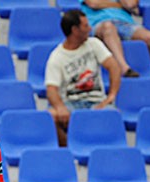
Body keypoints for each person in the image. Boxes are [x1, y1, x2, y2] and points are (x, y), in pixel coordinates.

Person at [45, 9, 121, 147]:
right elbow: (51, 89)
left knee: (113, 113)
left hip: (96, 101)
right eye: (86, 26)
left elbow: (114, 67)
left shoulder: (94, 44)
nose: (90, 28)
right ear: (75, 30)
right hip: (72, 104)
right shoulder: (56, 57)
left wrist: (111, 96)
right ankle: (70, 148)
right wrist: (60, 107)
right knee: (51, 115)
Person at [81, 0, 150, 77]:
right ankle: (124, 68)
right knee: (108, 27)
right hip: (99, 22)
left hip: (124, 23)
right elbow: (94, 3)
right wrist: (119, 5)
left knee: (149, 37)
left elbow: (130, 4)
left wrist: (107, 4)